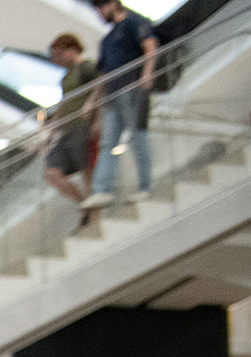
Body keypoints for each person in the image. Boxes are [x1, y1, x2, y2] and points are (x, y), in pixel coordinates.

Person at [89, 1, 158, 205]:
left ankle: (145, 186)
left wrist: (147, 73)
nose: (100, 15)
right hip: (112, 94)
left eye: (101, 9)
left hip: (132, 87)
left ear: (111, 4)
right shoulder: (107, 39)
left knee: (137, 137)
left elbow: (150, 46)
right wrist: (93, 101)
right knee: (107, 142)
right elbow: (103, 74)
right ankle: (102, 189)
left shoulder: (133, 23)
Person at [44, 34, 100, 207]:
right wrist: (52, 129)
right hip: (66, 129)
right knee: (53, 173)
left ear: (71, 49)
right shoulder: (66, 77)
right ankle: (84, 205)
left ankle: (94, 211)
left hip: (82, 125)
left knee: (86, 169)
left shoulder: (86, 67)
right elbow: (64, 103)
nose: (57, 60)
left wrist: (96, 115)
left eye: (60, 54)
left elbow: (101, 85)